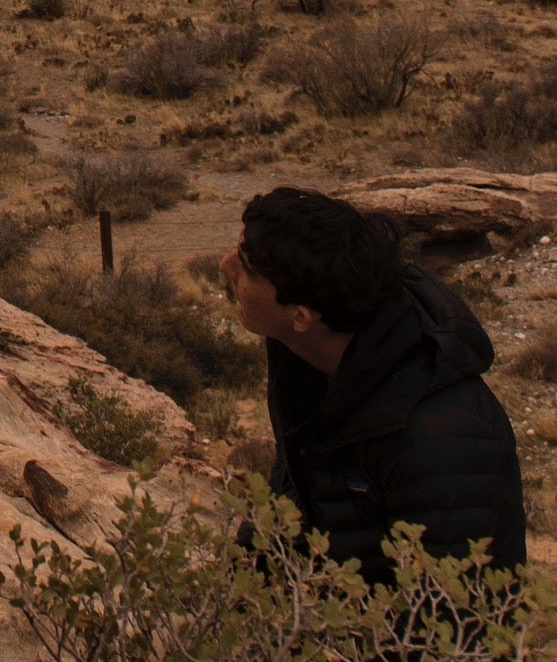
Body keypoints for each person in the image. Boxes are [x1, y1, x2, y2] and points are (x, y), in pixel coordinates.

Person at [218, 185, 527, 575]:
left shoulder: (439, 436)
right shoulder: (308, 363)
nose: (225, 266)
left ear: (301, 317)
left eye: (246, 266)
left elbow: (440, 616)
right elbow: (287, 510)